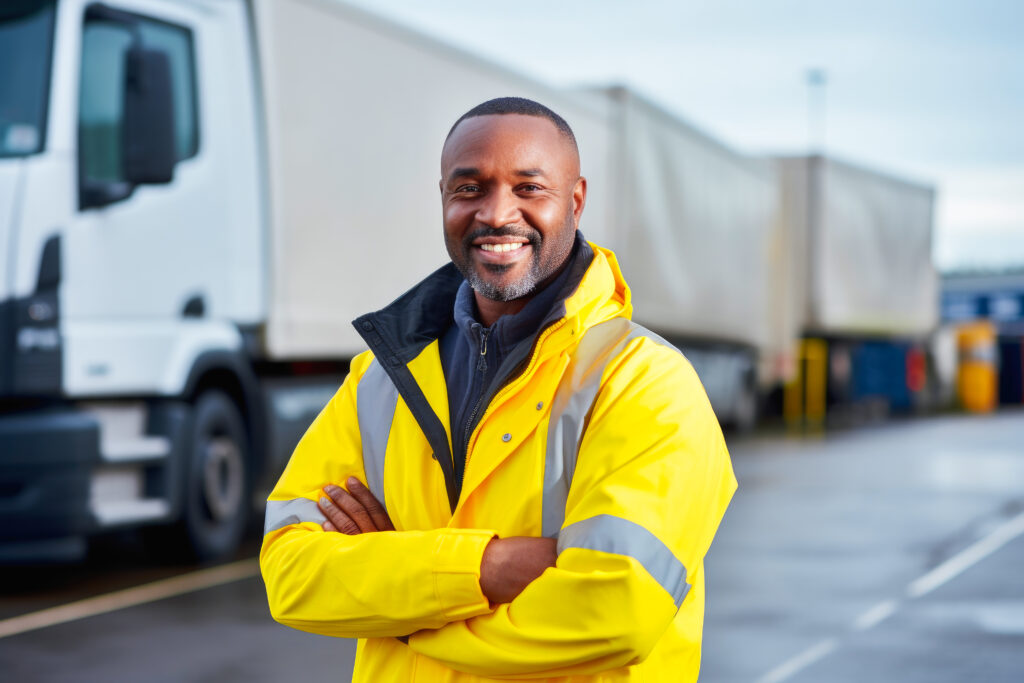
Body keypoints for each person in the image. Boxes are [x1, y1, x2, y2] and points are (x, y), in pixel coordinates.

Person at [260, 97, 736, 682]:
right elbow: (289, 574)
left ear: (576, 199)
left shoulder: (645, 382)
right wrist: (484, 569)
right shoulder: (379, 380)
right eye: (469, 189)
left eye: (529, 188)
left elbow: (615, 613)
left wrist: (405, 614)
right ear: (443, 199)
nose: (496, 214)